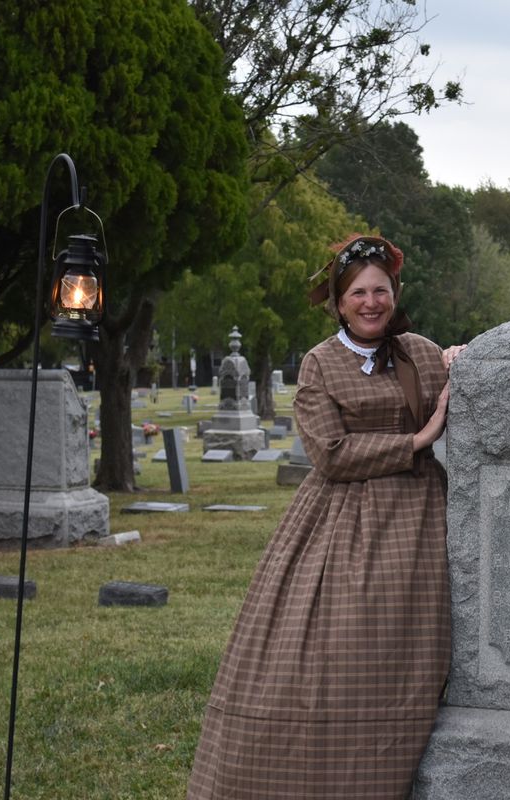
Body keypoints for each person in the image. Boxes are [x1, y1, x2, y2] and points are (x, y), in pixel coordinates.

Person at [187, 234, 464, 799]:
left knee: (406, 648)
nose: (371, 302)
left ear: (394, 293)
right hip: (344, 519)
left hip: (421, 516)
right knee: (331, 651)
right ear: (339, 302)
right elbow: (330, 453)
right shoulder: (320, 362)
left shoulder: (418, 351)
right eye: (358, 292)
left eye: (380, 290)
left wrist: (465, 362)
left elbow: (463, 384)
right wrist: (418, 438)